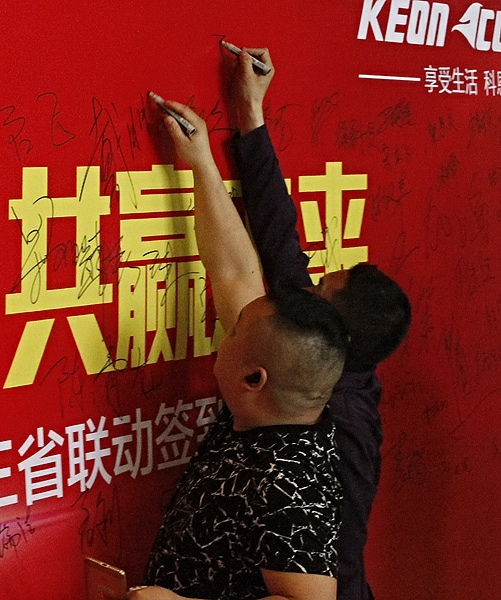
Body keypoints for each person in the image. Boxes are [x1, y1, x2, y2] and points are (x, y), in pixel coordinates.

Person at [132, 95, 349, 600]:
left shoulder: (291, 480)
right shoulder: (271, 405)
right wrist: (202, 163)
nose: (225, 328)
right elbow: (233, 271)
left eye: (233, 331)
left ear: (254, 377)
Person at [229, 47, 411, 600]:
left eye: (321, 289)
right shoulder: (326, 348)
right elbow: (279, 234)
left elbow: (340, 554)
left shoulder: (343, 422)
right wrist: (251, 114)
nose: (306, 286)